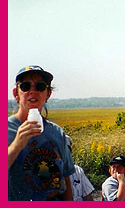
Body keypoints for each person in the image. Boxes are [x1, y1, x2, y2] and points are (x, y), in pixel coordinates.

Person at [8, 65, 75, 201]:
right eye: (26, 86)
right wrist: (16, 145)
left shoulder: (56, 132)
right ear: (16, 93)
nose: (33, 91)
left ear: (48, 94)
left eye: (40, 86)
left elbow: (66, 178)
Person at [66, 135, 95, 201]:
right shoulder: (50, 172)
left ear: (70, 152)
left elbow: (87, 196)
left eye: (66, 151)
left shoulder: (77, 170)